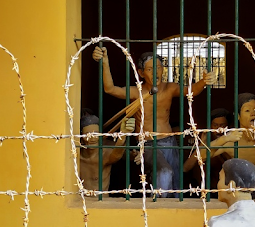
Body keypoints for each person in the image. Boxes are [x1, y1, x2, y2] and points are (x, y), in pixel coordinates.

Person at [92, 46, 215, 197]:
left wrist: (204, 81)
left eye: (158, 67)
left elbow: (190, 90)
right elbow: (110, 89)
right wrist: (105, 62)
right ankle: (158, 208)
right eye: (150, 69)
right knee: (164, 172)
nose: (155, 72)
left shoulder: (169, 88)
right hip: (148, 144)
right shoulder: (136, 92)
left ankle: (172, 214)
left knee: (177, 185)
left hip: (170, 142)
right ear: (141, 73)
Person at [213, 93, 255, 183]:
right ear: (238, 116)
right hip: (236, 191)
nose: (253, 114)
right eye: (247, 111)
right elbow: (202, 156)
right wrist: (225, 138)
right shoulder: (230, 142)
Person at [183, 108, 242, 194]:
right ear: (210, 126)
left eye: (222, 125)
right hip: (204, 189)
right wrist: (201, 145)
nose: (219, 129)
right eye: (215, 125)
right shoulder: (205, 140)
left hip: (229, 189)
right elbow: (186, 167)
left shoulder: (233, 142)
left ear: (228, 126)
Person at [79, 111, 135, 196]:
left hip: (100, 203)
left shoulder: (104, 154)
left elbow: (116, 154)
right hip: (81, 204)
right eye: (88, 134)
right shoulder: (74, 155)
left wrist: (122, 135)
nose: (93, 138)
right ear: (81, 137)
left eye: (96, 134)